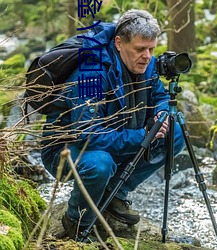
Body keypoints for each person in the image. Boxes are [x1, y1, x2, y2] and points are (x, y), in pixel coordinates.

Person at [41, 9, 185, 241]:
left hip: (117, 136)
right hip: (67, 150)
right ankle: (76, 221)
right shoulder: (90, 74)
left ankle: (115, 193)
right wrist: (142, 135)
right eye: (140, 49)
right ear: (119, 43)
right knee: (100, 164)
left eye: (152, 49)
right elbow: (87, 135)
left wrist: (161, 114)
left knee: (175, 132)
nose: (147, 56)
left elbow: (159, 96)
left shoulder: (146, 64)